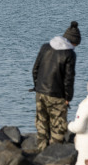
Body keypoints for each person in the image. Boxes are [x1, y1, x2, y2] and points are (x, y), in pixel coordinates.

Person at [32, 21, 80, 151]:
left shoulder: (45, 47)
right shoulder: (70, 54)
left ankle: (41, 152)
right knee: (58, 127)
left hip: (40, 92)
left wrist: (38, 86)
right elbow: (69, 79)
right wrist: (68, 97)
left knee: (41, 124)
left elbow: (35, 69)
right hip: (57, 96)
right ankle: (54, 154)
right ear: (73, 42)